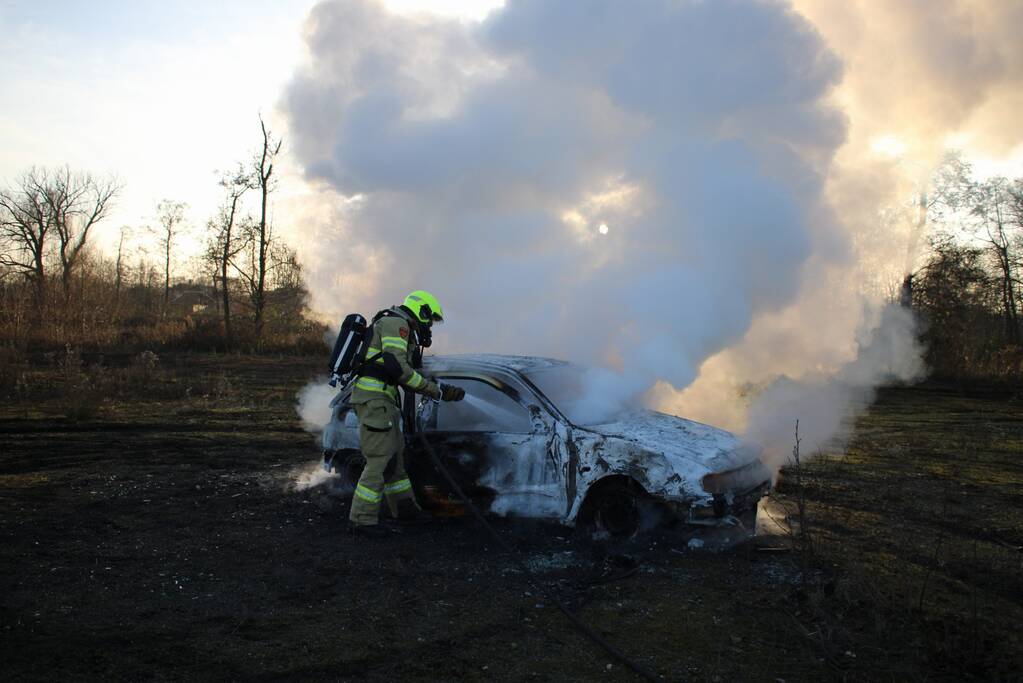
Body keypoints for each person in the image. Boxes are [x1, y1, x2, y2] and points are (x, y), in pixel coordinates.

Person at [347, 290, 465, 537]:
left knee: (394, 461)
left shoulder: (398, 325)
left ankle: (405, 510)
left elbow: (400, 368)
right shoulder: (396, 324)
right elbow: (397, 368)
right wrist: (435, 391)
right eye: (430, 319)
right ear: (421, 311)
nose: (430, 325)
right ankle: (362, 520)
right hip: (375, 401)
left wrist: (439, 388)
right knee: (380, 460)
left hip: (383, 402)